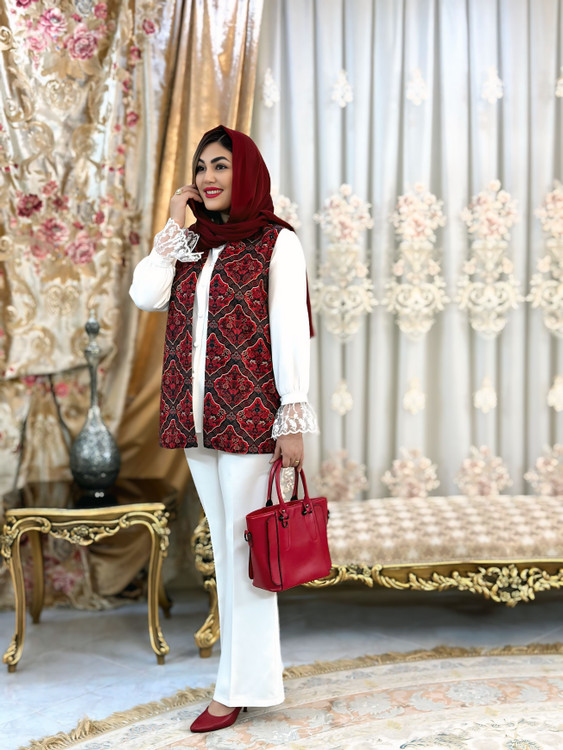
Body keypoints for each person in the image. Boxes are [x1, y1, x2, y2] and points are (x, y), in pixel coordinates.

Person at [129, 125, 317, 733]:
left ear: (247, 173)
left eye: (221, 166)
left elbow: (290, 330)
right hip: (196, 419)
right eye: (201, 166)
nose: (208, 177)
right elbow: (145, 294)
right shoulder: (190, 244)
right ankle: (245, 681)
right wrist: (172, 224)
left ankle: (235, 689)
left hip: (252, 418)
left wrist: (293, 416)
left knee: (244, 552)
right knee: (228, 547)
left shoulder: (276, 242)